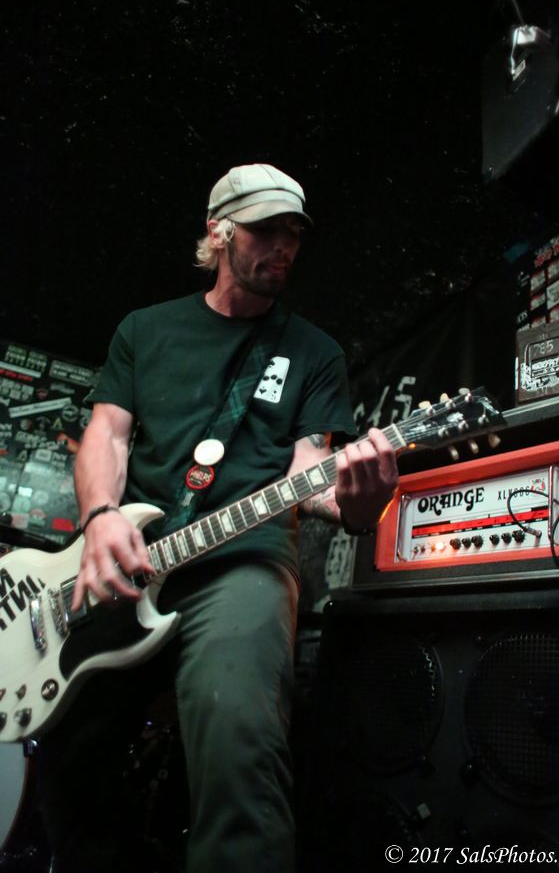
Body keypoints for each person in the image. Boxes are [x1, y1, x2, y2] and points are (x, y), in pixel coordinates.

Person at [37, 163, 398, 873]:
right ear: (219, 231)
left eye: (293, 233)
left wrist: (358, 501)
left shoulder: (314, 352)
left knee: (239, 746)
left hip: (244, 559)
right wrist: (101, 516)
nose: (283, 246)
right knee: (69, 751)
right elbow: (107, 435)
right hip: (133, 556)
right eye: (265, 230)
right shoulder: (145, 330)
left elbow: (307, 471)